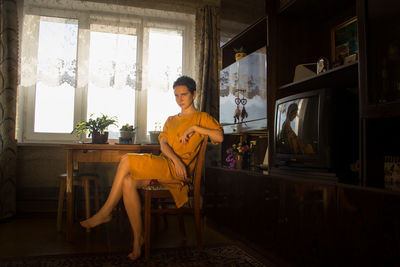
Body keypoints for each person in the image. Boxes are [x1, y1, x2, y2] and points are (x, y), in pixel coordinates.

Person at [80, 75, 224, 261]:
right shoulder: (171, 120)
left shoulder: (202, 118)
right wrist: (176, 160)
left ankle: (105, 213)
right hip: (167, 166)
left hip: (179, 175)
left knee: (126, 160)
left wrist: (195, 128)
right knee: (127, 181)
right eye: (176, 95)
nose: (180, 99)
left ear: (194, 94)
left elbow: (219, 137)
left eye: (184, 94)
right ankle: (137, 240)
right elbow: (163, 145)